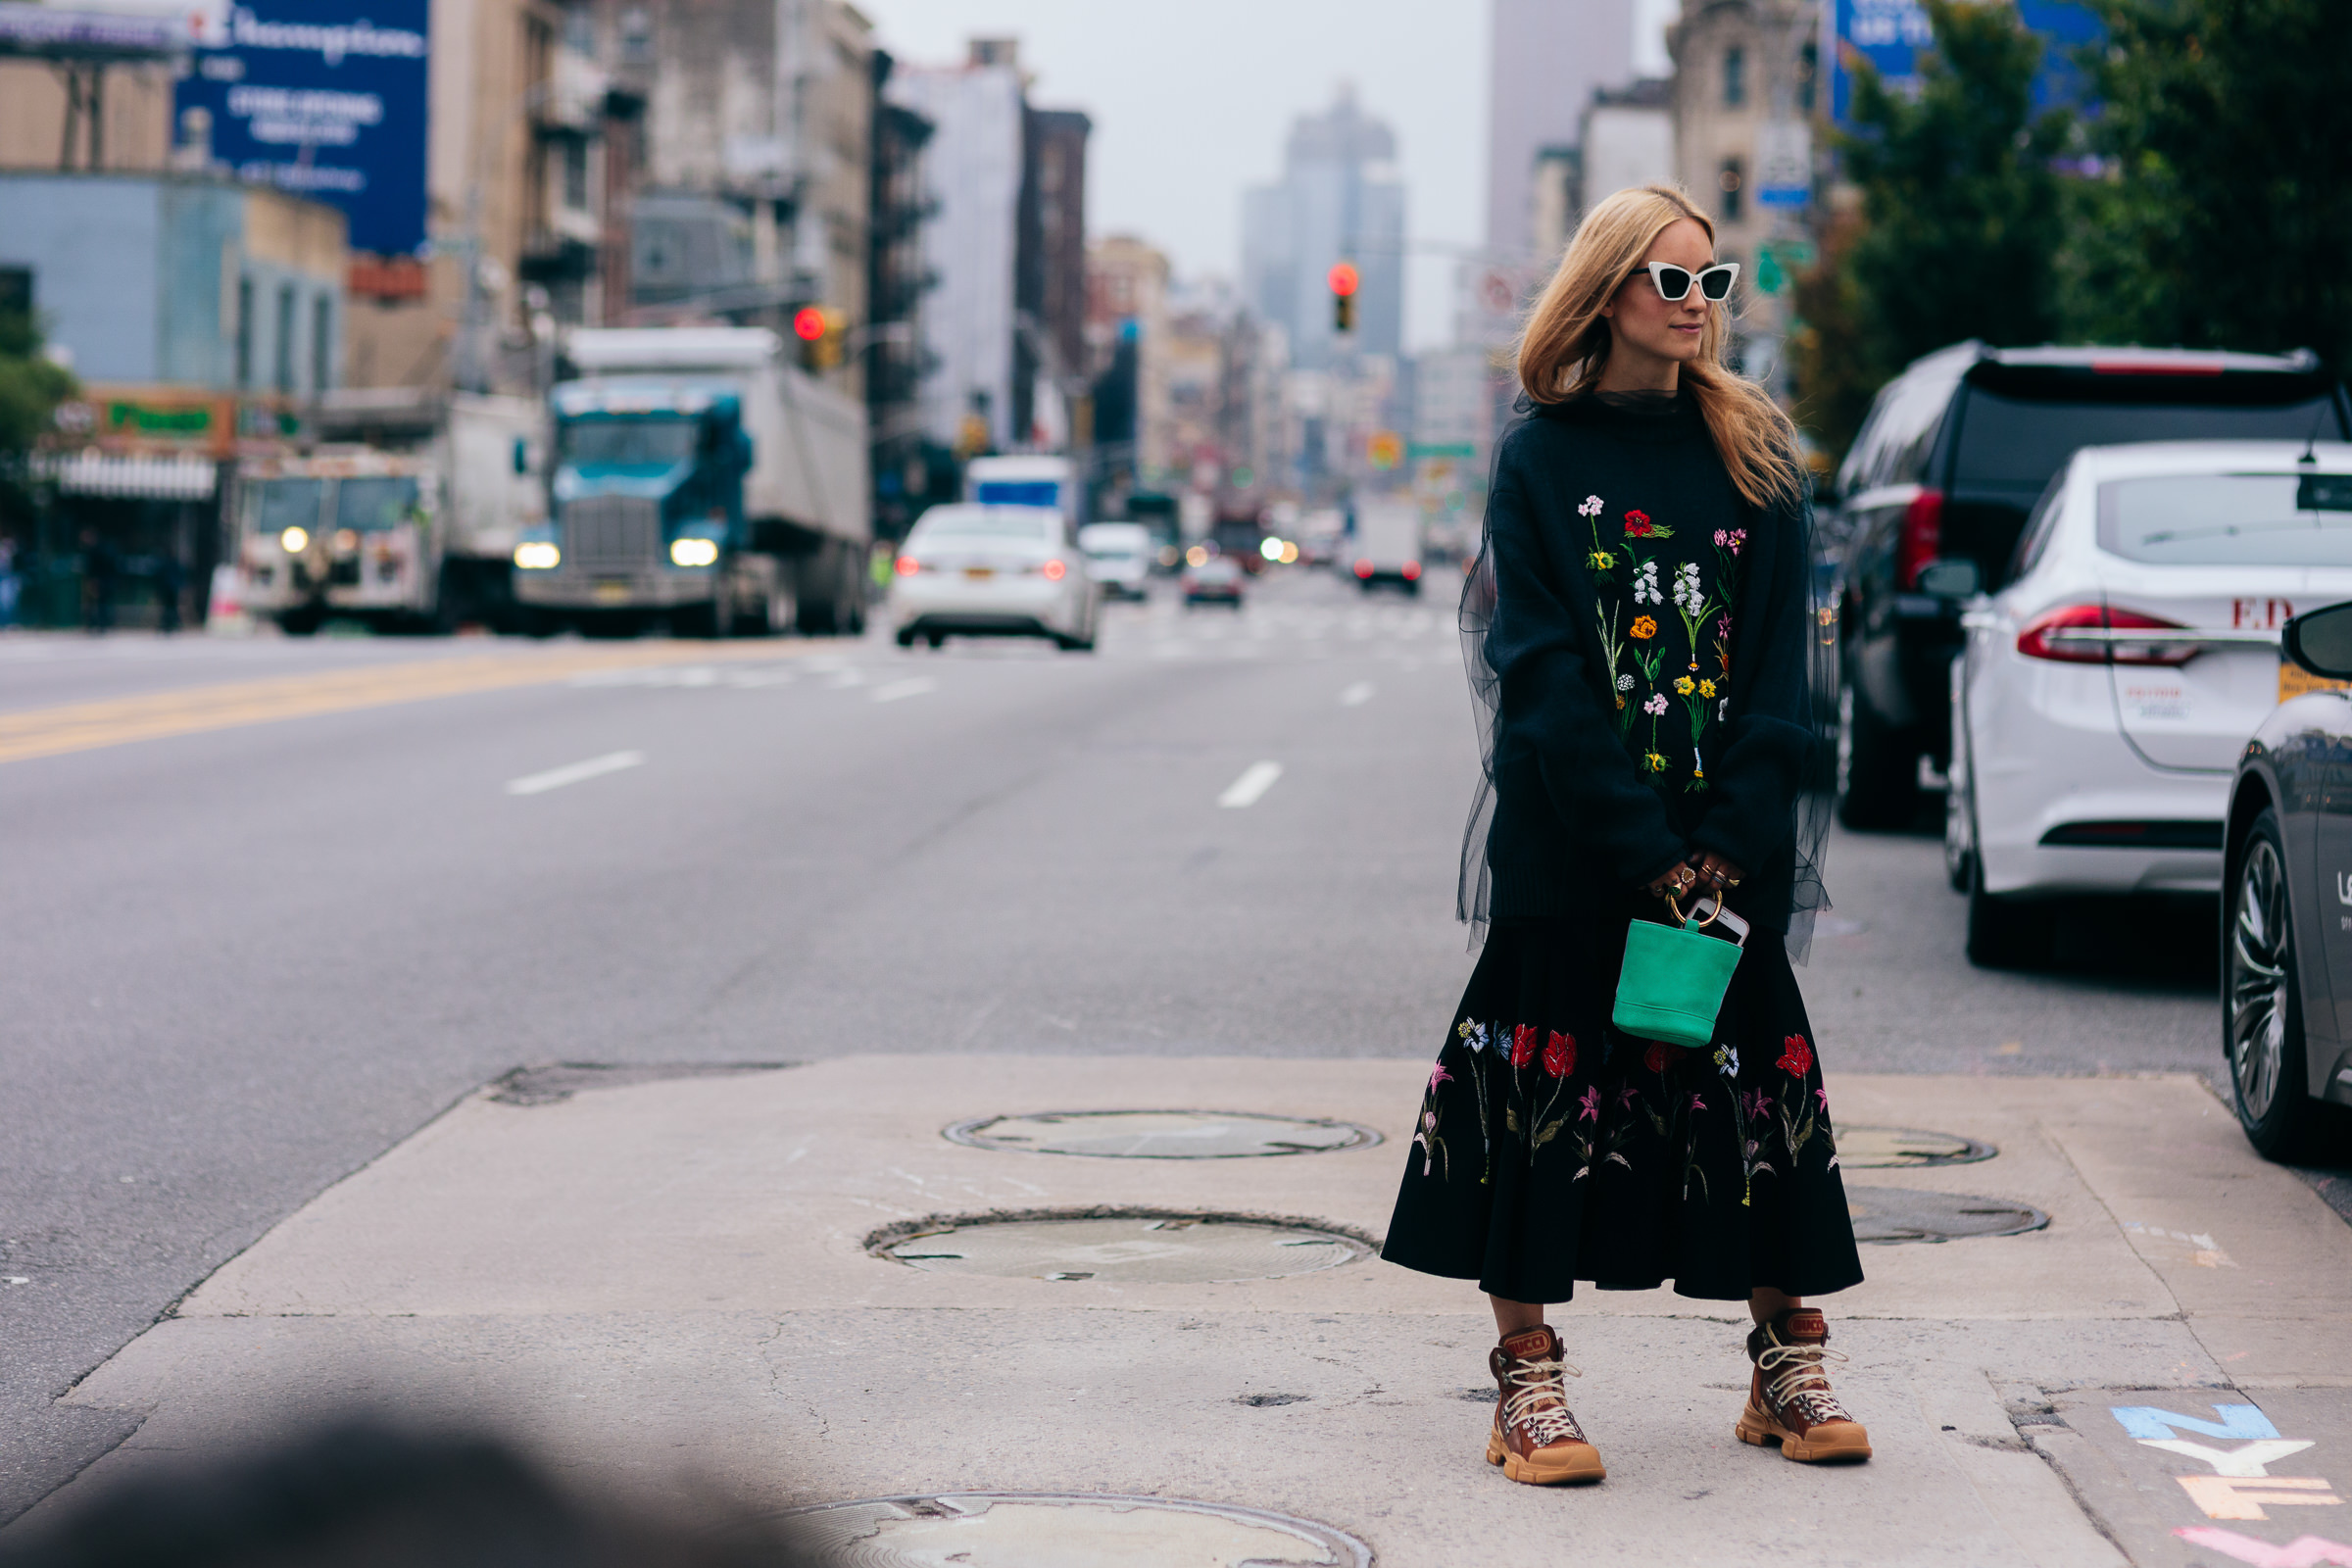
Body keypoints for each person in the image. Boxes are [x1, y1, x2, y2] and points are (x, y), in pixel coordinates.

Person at [1380, 184, 1865, 1487]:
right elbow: (1535, 666)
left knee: (1758, 1097)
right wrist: (1641, 841)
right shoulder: (1539, 457)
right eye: (1672, 280)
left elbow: (1778, 670)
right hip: (1576, 850)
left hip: (1725, 854)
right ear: (1605, 292)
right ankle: (1526, 1388)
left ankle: (1785, 1363)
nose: (1698, 306)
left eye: (1718, 282)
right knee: (1543, 1103)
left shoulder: (1755, 452)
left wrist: (1726, 837)